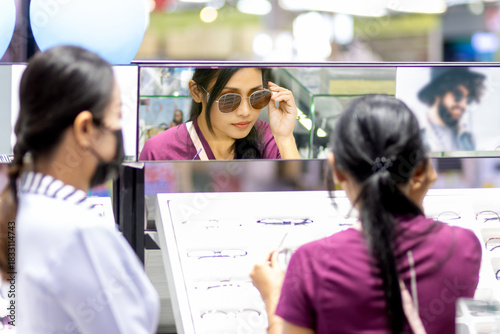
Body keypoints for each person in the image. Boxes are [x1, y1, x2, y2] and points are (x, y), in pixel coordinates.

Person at [251, 95, 481, 334]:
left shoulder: (310, 264)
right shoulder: (463, 247)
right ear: (422, 168)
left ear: (338, 171)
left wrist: (275, 296)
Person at [0, 46, 160, 333]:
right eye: (117, 115)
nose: (120, 130)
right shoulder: (78, 232)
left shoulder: (23, 206)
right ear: (85, 128)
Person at [139, 67, 300, 160]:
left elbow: (302, 204)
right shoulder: (159, 151)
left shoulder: (269, 139)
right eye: (229, 99)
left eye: (257, 97)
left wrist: (285, 138)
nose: (245, 112)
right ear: (197, 92)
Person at [417, 67, 485, 151]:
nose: (464, 105)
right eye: (458, 95)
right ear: (438, 91)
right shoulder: (415, 135)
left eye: (468, 100)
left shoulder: (467, 139)